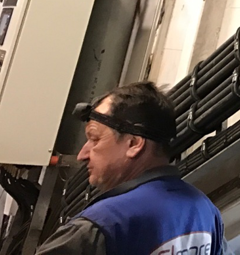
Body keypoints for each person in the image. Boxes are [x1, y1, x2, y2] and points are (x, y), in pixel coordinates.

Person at [38, 82, 227, 255]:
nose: (82, 155)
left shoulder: (102, 226)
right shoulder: (205, 212)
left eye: (94, 138)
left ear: (134, 144)